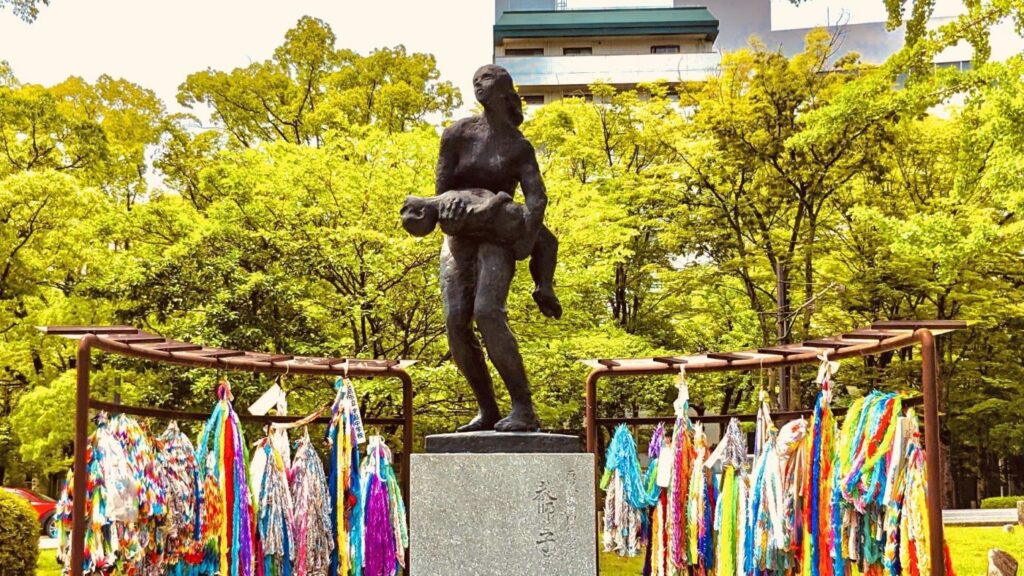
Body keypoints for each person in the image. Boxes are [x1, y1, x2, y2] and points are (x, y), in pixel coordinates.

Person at [427, 64, 558, 432]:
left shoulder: (519, 146)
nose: (478, 85)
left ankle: (523, 408)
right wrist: (446, 205)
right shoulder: (457, 134)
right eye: (475, 80)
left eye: (486, 79)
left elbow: (537, 197)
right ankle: (487, 409)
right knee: (455, 322)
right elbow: (439, 189)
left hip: (497, 235)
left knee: (487, 311)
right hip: (459, 235)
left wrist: (523, 242)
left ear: (504, 89)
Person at [400, 189, 561, 320]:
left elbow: (482, 211)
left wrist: (499, 199)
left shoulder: (450, 204)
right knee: (547, 245)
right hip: (510, 226)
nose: (419, 234)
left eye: (416, 229)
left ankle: (544, 287)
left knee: (547, 244)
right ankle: (543, 287)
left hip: (512, 221)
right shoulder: (449, 207)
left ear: (422, 212)